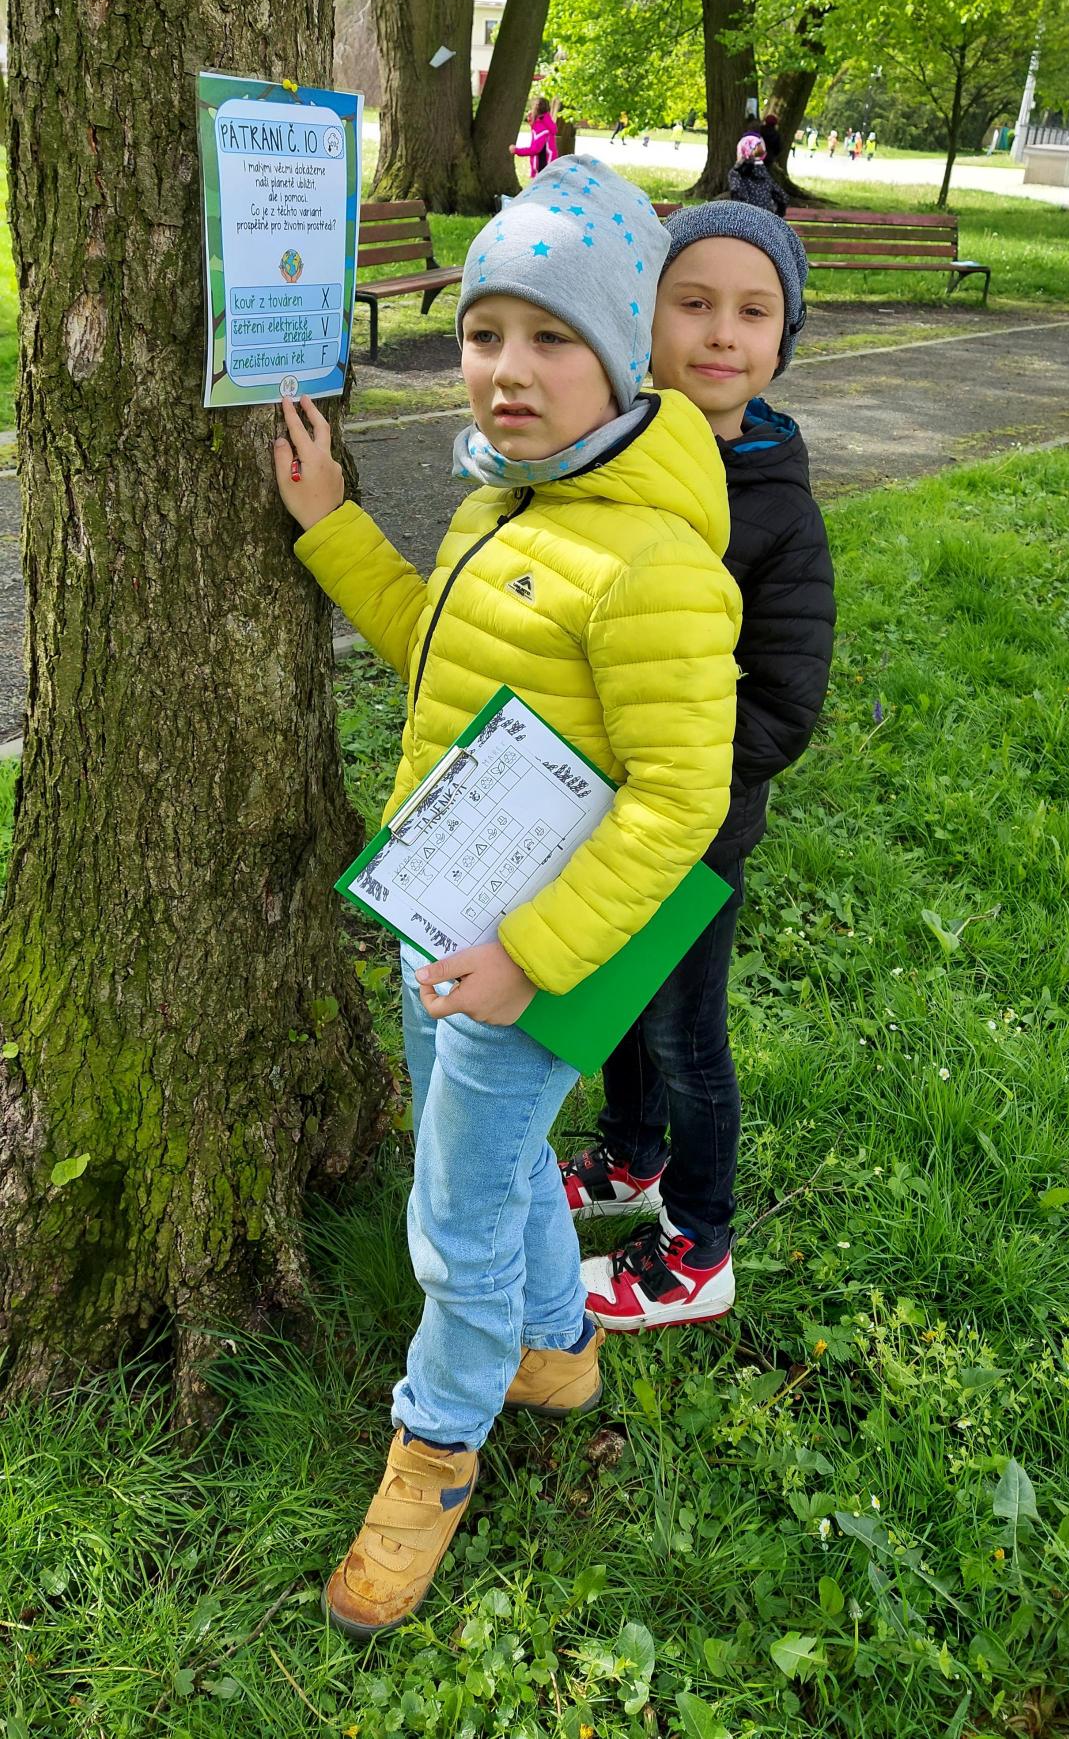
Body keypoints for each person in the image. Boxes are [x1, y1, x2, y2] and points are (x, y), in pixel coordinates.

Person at [274, 155, 741, 1636]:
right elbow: (440, 649)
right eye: (484, 332)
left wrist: (529, 956)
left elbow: (680, 798)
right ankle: (553, 1345)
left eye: (552, 337)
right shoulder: (506, 506)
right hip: (446, 918)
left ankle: (435, 1451)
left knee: (455, 1213)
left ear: (623, 359)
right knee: (489, 1164)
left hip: (530, 958)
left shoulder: (652, 559)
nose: (507, 369)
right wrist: (332, 525)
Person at [560, 196, 835, 1329]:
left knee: (683, 1032)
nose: (722, 332)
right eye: (694, 303)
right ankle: (628, 1156)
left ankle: (697, 1246)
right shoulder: (604, 454)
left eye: (753, 312)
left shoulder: (776, 507)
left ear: (782, 338)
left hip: (693, 829)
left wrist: (674, 783)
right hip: (597, 813)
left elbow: (781, 702)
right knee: (619, 1008)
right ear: (644, 316)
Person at [509, 95, 558, 178]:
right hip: (548, 167)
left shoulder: (541, 129)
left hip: (543, 169)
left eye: (532, 108)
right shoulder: (546, 123)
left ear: (535, 110)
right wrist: (533, 123)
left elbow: (535, 149)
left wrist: (516, 150)